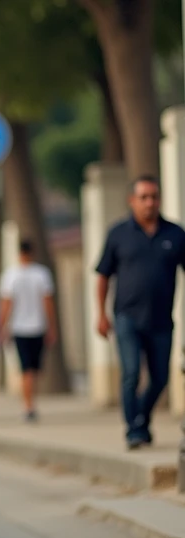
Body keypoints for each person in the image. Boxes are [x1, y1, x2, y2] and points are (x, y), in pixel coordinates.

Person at [96, 175, 185, 449]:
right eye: (144, 197)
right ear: (132, 201)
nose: (150, 203)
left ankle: (142, 419)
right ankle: (133, 429)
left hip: (161, 320)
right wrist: (101, 314)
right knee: (132, 372)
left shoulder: (175, 234)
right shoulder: (118, 234)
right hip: (127, 317)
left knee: (159, 378)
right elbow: (103, 276)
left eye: (154, 197)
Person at [0, 240, 58, 422]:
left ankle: (29, 403)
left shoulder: (11, 275)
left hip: (20, 327)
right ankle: (30, 404)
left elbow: (7, 304)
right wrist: (51, 326)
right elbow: (48, 302)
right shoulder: (42, 274)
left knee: (28, 369)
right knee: (31, 369)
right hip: (35, 326)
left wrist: (2, 327)